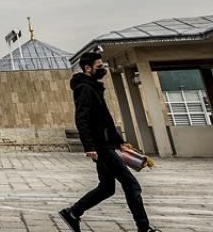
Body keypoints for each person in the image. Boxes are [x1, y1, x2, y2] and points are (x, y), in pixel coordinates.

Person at [59, 52, 159, 232]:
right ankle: (144, 228)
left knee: (107, 188)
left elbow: (105, 120)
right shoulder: (85, 89)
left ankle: (73, 212)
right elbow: (82, 118)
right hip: (101, 147)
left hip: (106, 144)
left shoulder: (93, 87)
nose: (102, 70)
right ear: (87, 68)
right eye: (99, 67)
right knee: (131, 185)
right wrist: (89, 146)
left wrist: (120, 142)